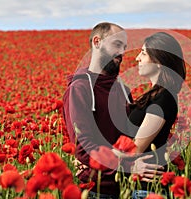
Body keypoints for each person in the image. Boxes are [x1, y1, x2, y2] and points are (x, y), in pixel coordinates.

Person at [62, 22, 163, 199]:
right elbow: (84, 148)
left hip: (128, 187)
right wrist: (130, 166)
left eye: (124, 47)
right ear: (97, 42)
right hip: (97, 190)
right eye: (117, 45)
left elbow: (132, 140)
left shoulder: (123, 89)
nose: (122, 52)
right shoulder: (80, 89)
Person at [113, 32, 186, 199]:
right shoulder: (156, 95)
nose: (137, 58)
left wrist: (93, 156)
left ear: (159, 61)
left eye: (143, 53)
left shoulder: (164, 98)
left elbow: (134, 148)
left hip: (147, 190)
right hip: (141, 187)